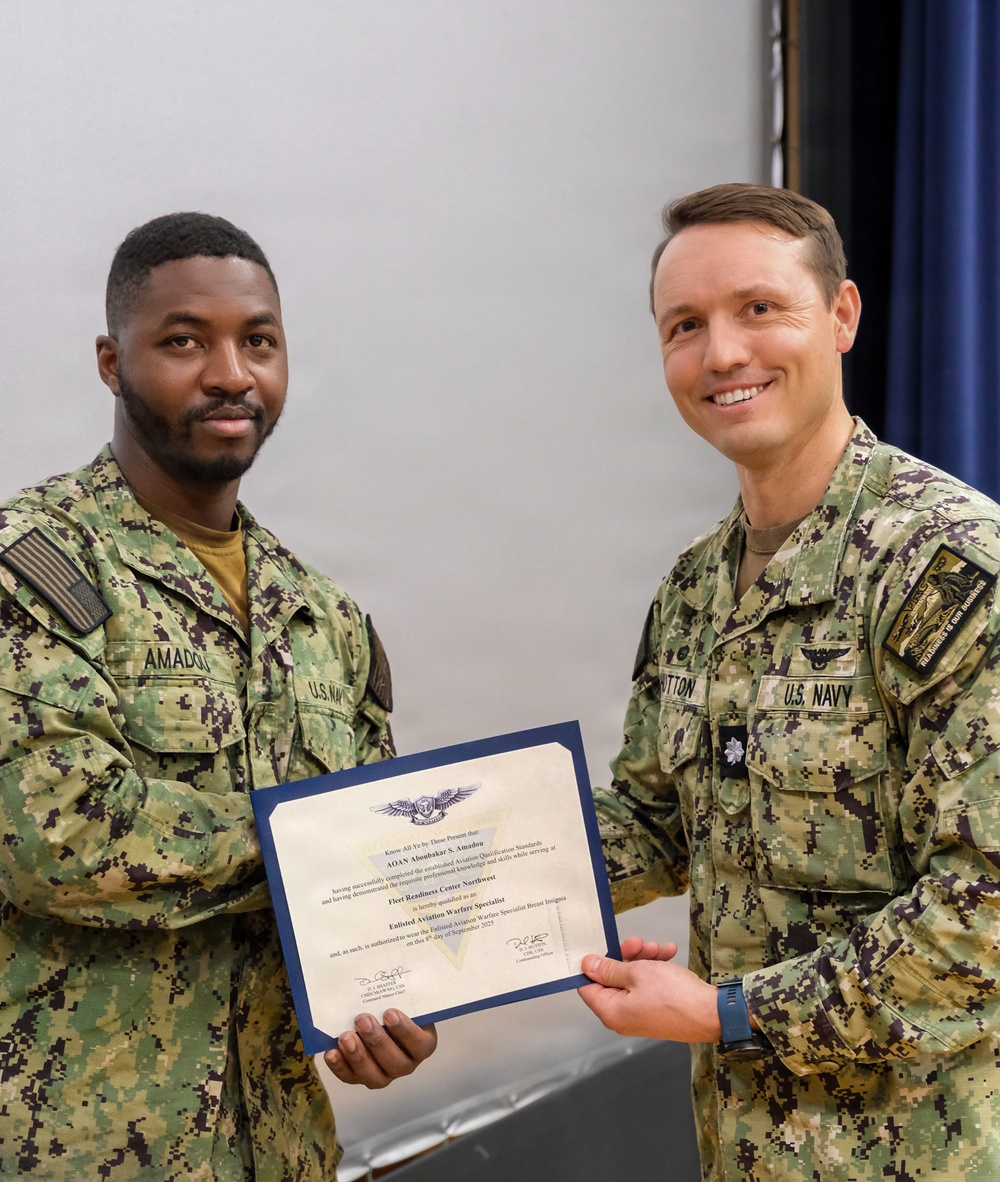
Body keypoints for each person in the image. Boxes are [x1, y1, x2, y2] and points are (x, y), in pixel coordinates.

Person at [0, 213, 437, 1180]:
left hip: (278, 1150)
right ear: (113, 363)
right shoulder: (28, 573)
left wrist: (395, 998)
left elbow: (374, 895)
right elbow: (54, 836)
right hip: (79, 1154)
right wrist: (321, 845)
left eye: (260, 341)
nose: (231, 372)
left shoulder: (327, 618)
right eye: (184, 340)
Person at [578, 184, 1000, 1179]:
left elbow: (983, 912)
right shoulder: (693, 589)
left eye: (759, 309)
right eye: (685, 325)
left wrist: (725, 1011)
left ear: (842, 315)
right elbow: (654, 822)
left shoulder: (951, 572)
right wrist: (431, 885)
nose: (721, 353)